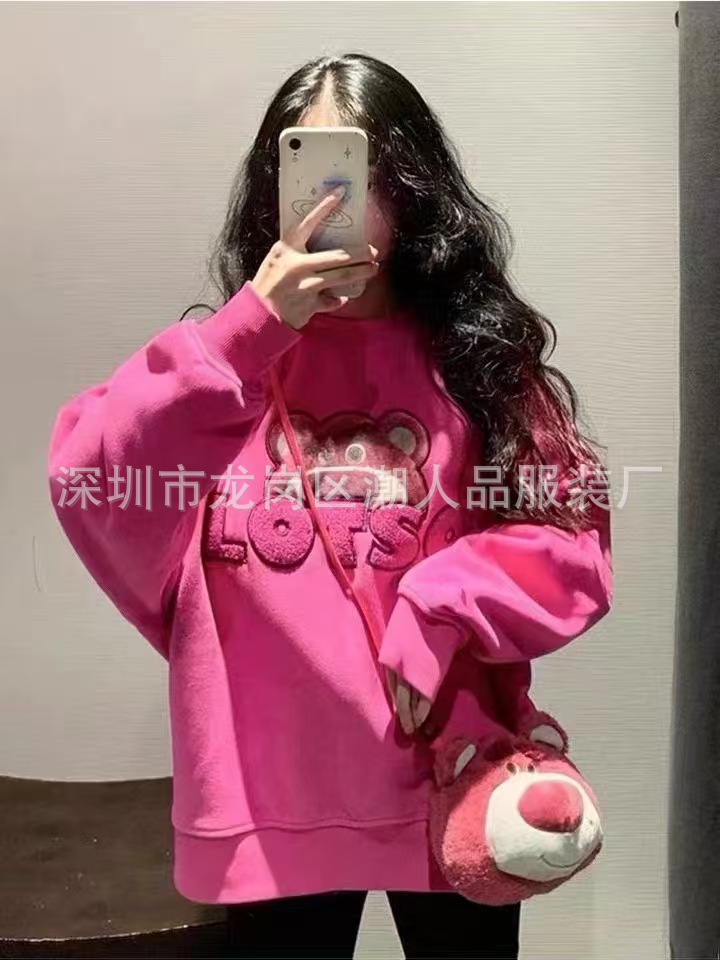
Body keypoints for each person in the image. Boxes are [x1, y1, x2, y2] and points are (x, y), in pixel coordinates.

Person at [47, 53, 613, 960]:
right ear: (273, 189)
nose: (339, 200)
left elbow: (573, 542)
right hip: (271, 802)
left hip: (455, 784)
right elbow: (93, 482)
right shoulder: (221, 367)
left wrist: (442, 603)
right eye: (309, 168)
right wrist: (246, 333)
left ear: (415, 190)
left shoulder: (476, 361)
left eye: (367, 172)